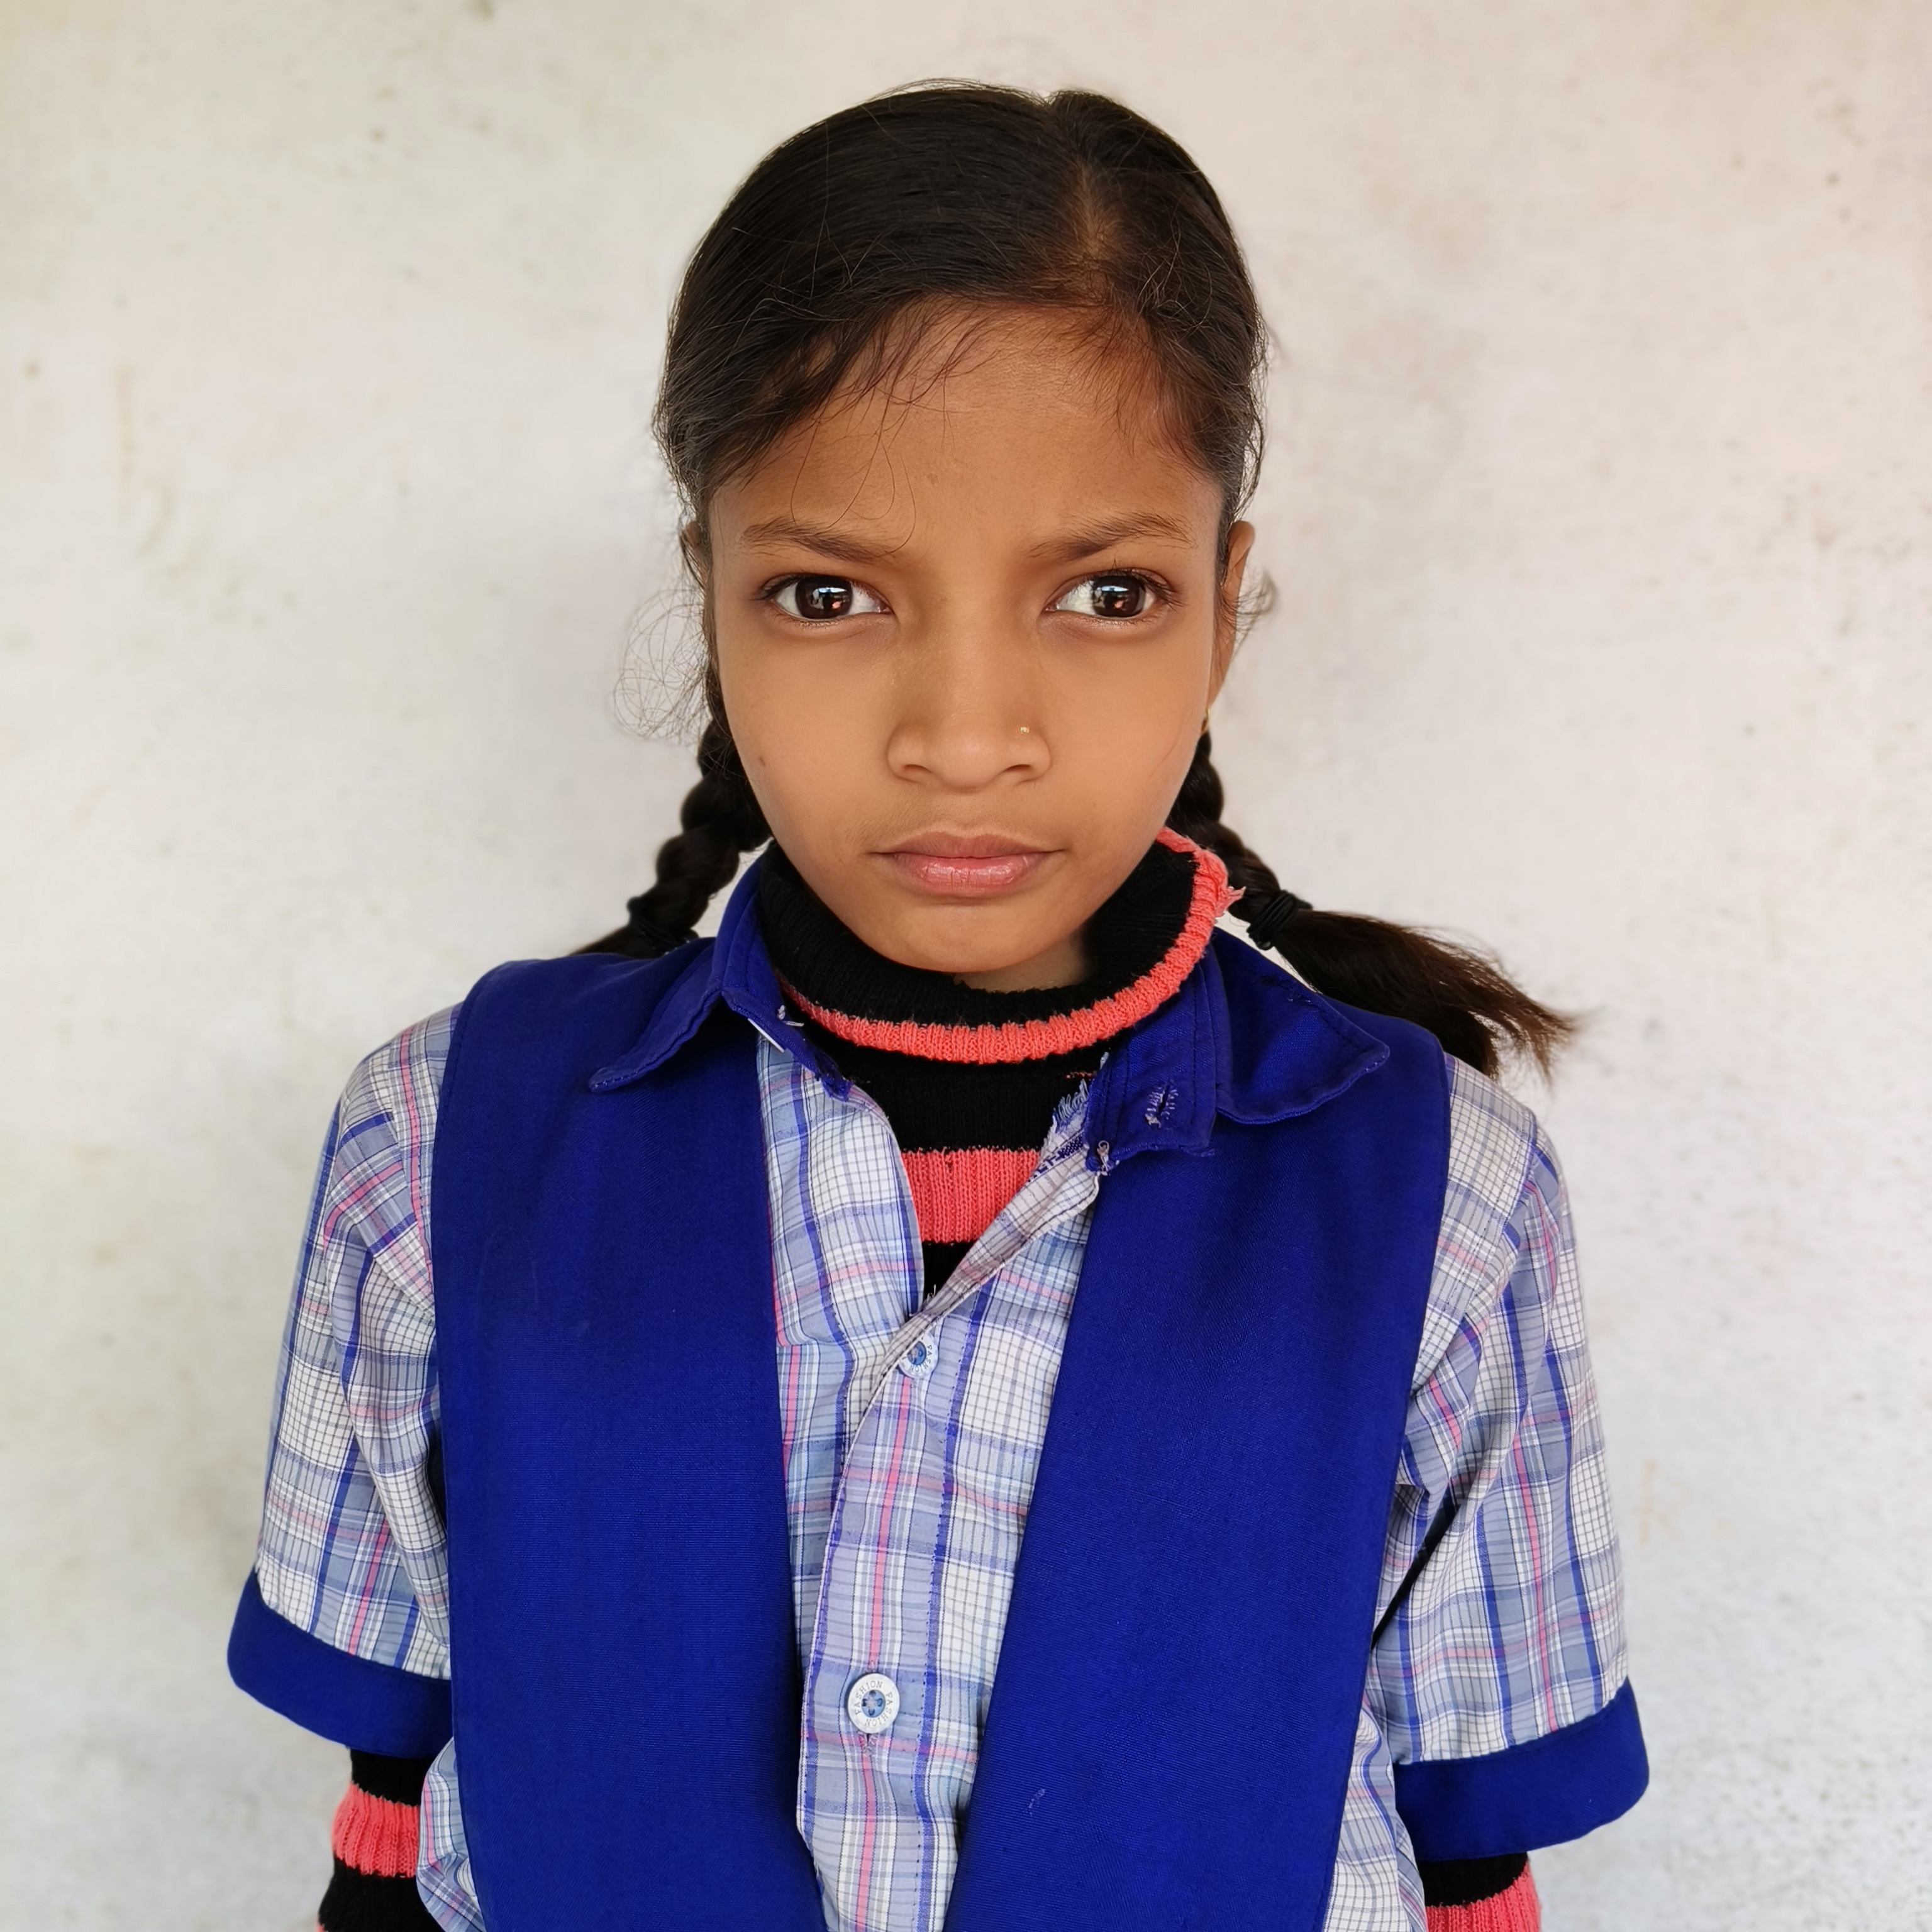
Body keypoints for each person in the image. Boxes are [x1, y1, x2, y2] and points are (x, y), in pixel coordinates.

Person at [228, 82, 1646, 1932]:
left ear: (1225, 602)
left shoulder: (1444, 1192)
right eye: (829, 594)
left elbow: (1470, 1849)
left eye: (1106, 592)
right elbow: (392, 1793)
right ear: (711, 594)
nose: (966, 738)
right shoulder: (441, 1144)